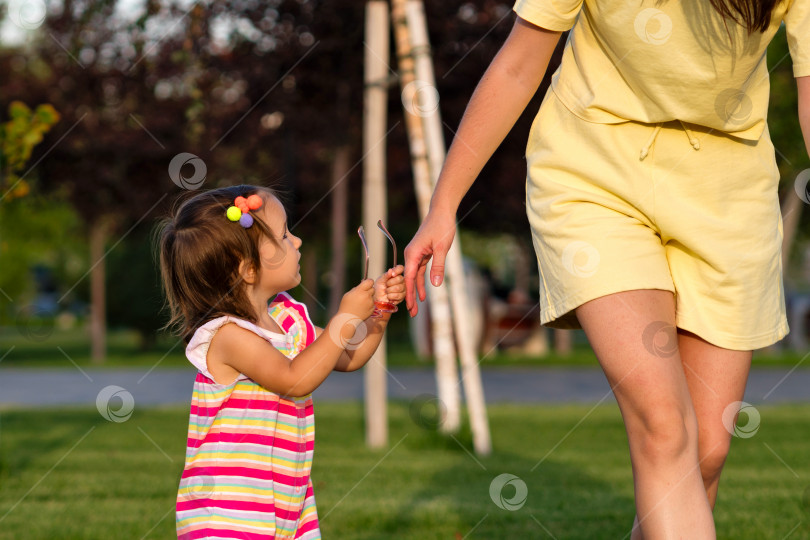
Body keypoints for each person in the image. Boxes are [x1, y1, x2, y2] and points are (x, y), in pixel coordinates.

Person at [403, 1, 809, 538]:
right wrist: (444, 202)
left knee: (704, 454)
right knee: (664, 431)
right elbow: (519, 63)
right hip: (595, 174)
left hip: (727, 188)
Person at [158, 185, 404, 539]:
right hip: (228, 514)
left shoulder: (288, 317)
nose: (298, 241)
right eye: (285, 235)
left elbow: (348, 355)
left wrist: (377, 313)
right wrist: (342, 318)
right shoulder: (227, 336)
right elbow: (293, 380)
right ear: (248, 269)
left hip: (289, 505)